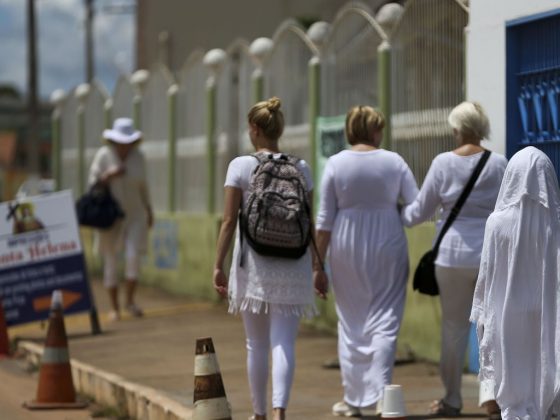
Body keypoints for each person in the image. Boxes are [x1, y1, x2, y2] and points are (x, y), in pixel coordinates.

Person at [213, 97, 324, 420]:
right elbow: (310, 220)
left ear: (254, 129)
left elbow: (228, 221)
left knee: (256, 344)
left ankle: (259, 414)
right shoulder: (301, 168)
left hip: (254, 266)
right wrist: (318, 267)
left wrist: (217, 265)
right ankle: (279, 413)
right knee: (284, 342)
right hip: (295, 263)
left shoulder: (240, 166)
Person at [401, 101, 507, 417]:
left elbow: (417, 212)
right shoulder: (499, 163)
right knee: (490, 325)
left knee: (453, 327)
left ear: (457, 129)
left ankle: (452, 398)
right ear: (482, 127)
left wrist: (398, 212)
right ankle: (492, 398)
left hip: (450, 256)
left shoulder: (442, 163)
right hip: (489, 254)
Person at [314, 105, 418, 417]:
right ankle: (383, 398)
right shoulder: (394, 161)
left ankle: (354, 400)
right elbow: (416, 206)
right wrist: (397, 213)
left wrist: (318, 266)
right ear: (374, 131)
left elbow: (323, 222)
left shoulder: (335, 163)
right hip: (388, 239)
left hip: (345, 244)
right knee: (385, 321)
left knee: (351, 323)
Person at [471, 146, 560, 420]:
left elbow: (487, 274)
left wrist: (483, 313)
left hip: (508, 311)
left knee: (514, 379)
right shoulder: (555, 222)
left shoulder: (496, 223)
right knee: (543, 367)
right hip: (547, 309)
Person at [88, 117, 153, 321]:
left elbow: (143, 186)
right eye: (120, 143)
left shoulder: (138, 157)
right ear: (114, 142)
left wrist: (149, 209)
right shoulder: (103, 156)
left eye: (127, 143)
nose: (124, 146)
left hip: (135, 214)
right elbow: (92, 183)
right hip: (110, 216)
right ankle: (114, 308)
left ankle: (130, 301)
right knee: (110, 260)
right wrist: (109, 175)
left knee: (133, 257)